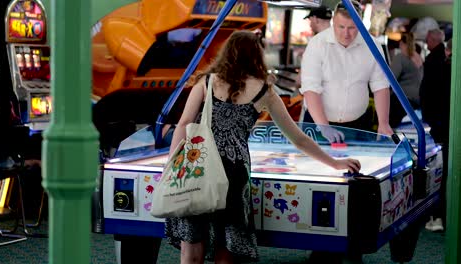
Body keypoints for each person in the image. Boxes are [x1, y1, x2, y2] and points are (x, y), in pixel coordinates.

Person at [164, 30, 361, 264]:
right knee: (226, 250)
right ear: (257, 55)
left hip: (197, 168)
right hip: (233, 174)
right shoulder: (264, 91)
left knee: (191, 251)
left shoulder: (206, 82)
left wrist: (171, 167)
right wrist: (335, 162)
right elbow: (298, 138)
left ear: (227, 52)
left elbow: (184, 124)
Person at [300, 0, 393, 143]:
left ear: (360, 24)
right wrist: (324, 127)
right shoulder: (317, 44)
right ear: (333, 21)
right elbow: (311, 89)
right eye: (341, 26)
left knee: (360, 164)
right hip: (317, 124)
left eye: (352, 28)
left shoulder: (373, 46)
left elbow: (380, 86)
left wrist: (384, 123)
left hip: (358, 124)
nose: (346, 33)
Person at [423, 37, 451, 233]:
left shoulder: (438, 68)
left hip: (442, 127)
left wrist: (433, 123)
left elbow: (426, 94)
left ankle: (438, 216)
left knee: (443, 172)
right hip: (445, 126)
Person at [389, 32, 424, 127]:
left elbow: (391, 78)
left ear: (401, 43)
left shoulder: (400, 57)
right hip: (417, 100)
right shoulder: (418, 57)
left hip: (403, 99)